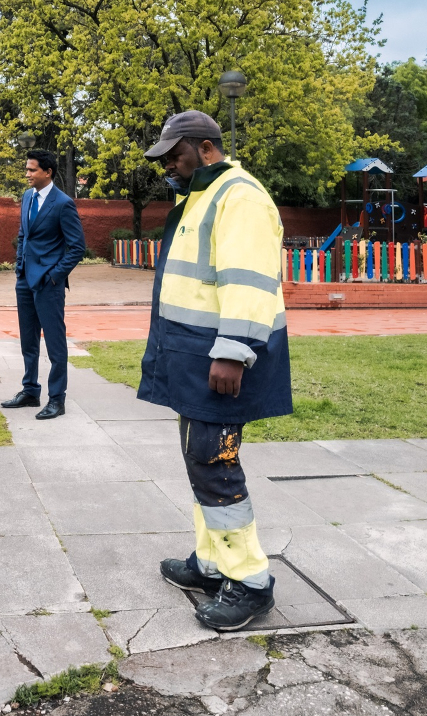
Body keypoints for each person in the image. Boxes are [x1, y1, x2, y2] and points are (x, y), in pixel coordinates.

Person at [139, 110, 293, 631]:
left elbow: (248, 281)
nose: (169, 166)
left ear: (206, 148)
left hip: (220, 359)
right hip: (193, 355)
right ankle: (211, 564)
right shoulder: (201, 195)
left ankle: (249, 582)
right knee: (199, 459)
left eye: (175, 156)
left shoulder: (239, 197)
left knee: (214, 463)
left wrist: (233, 351)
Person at [0, 149, 86, 420]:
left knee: (55, 344)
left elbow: (77, 247)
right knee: (28, 340)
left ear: (47, 172)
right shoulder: (27, 197)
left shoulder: (63, 203)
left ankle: (57, 399)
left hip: (49, 283)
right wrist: (19, 267)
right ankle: (30, 391)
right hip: (25, 280)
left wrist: (55, 276)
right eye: (26, 169)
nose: (27, 174)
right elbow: (23, 235)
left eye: (32, 169)